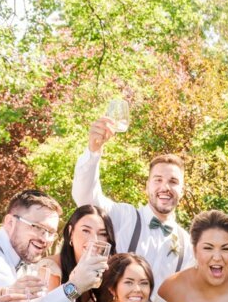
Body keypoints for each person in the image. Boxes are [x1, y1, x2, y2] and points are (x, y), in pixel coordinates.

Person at [71, 116, 194, 287]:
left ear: (182, 190)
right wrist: (93, 151)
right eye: (158, 180)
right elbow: (86, 196)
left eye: (173, 181)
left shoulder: (187, 243)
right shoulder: (123, 216)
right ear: (147, 186)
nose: (165, 187)